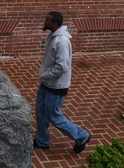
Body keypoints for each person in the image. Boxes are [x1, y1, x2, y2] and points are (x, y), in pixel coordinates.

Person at [34, 11, 91, 153]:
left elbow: (62, 66)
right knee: (40, 111)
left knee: (54, 116)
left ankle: (81, 136)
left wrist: (47, 75)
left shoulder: (62, 41)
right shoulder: (53, 36)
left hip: (57, 86)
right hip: (48, 83)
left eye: (47, 21)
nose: (44, 22)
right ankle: (42, 140)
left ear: (54, 24)